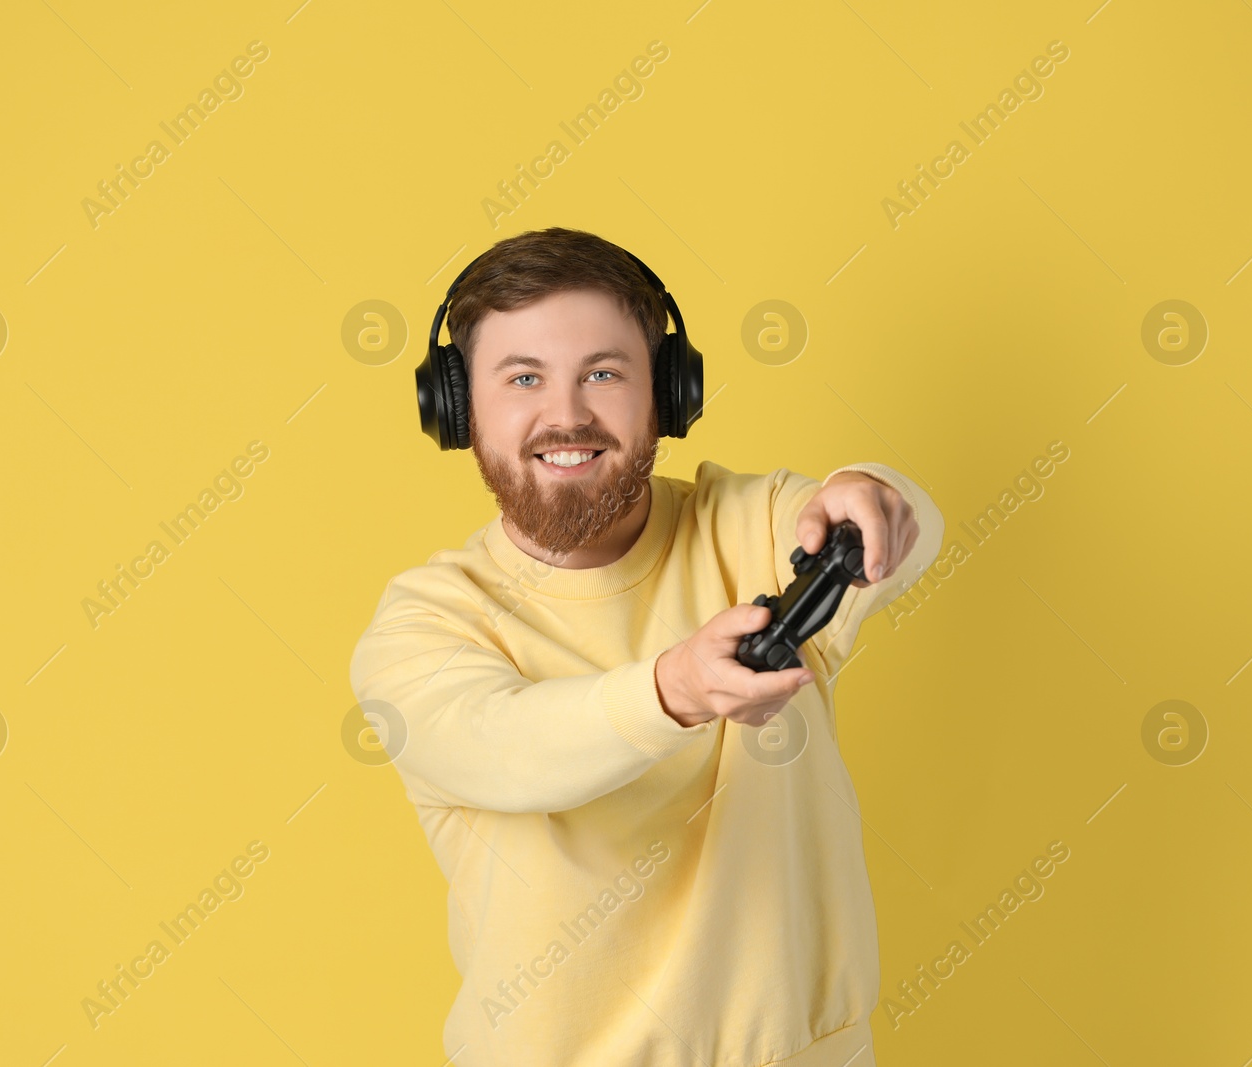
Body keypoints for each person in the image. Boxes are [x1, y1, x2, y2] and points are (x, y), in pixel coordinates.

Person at [349, 227, 944, 1066]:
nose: (567, 415)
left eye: (604, 373)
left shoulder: (753, 525)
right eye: (523, 378)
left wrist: (875, 491)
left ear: (669, 391)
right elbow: (504, 747)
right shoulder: (427, 624)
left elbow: (905, 540)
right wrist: (675, 691)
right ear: (457, 410)